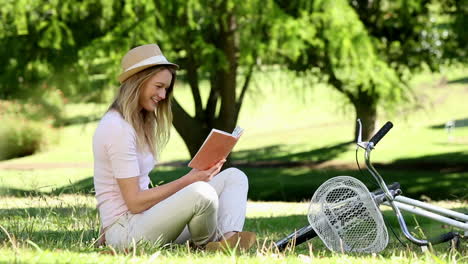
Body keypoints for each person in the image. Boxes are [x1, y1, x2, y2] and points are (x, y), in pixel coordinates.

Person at [92, 44, 256, 251]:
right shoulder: (117, 128)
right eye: (158, 86)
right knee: (201, 193)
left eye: (166, 89)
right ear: (138, 82)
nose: (162, 95)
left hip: (147, 221)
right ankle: (206, 246)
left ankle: (228, 240)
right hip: (126, 232)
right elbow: (134, 202)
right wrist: (190, 180)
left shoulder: (137, 123)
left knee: (234, 176)